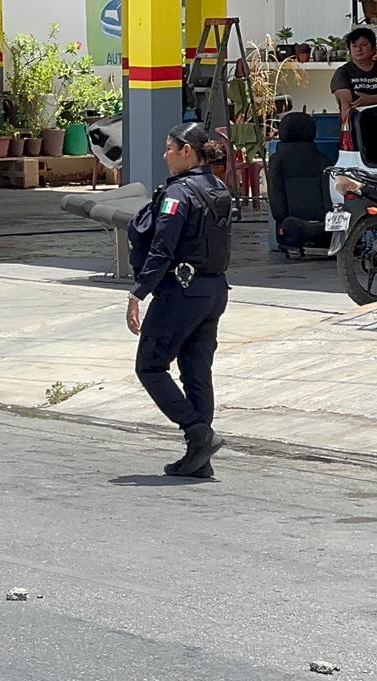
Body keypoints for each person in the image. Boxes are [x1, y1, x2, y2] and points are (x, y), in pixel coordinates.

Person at [125, 123, 232, 478]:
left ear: (188, 151)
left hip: (181, 292)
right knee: (197, 373)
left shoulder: (179, 195)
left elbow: (161, 249)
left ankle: (198, 433)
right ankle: (199, 459)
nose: (165, 155)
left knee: (150, 366)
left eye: (170, 148)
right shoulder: (218, 188)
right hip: (214, 291)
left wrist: (138, 292)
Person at [332, 27, 377, 164]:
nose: (358, 49)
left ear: (373, 48)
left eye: (363, 45)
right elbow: (347, 105)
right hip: (360, 130)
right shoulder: (343, 73)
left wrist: (370, 100)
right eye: (354, 46)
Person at [267, 112, 333, 252]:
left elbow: (275, 194)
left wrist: (280, 217)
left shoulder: (278, 160)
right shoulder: (322, 160)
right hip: (318, 225)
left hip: (292, 225)